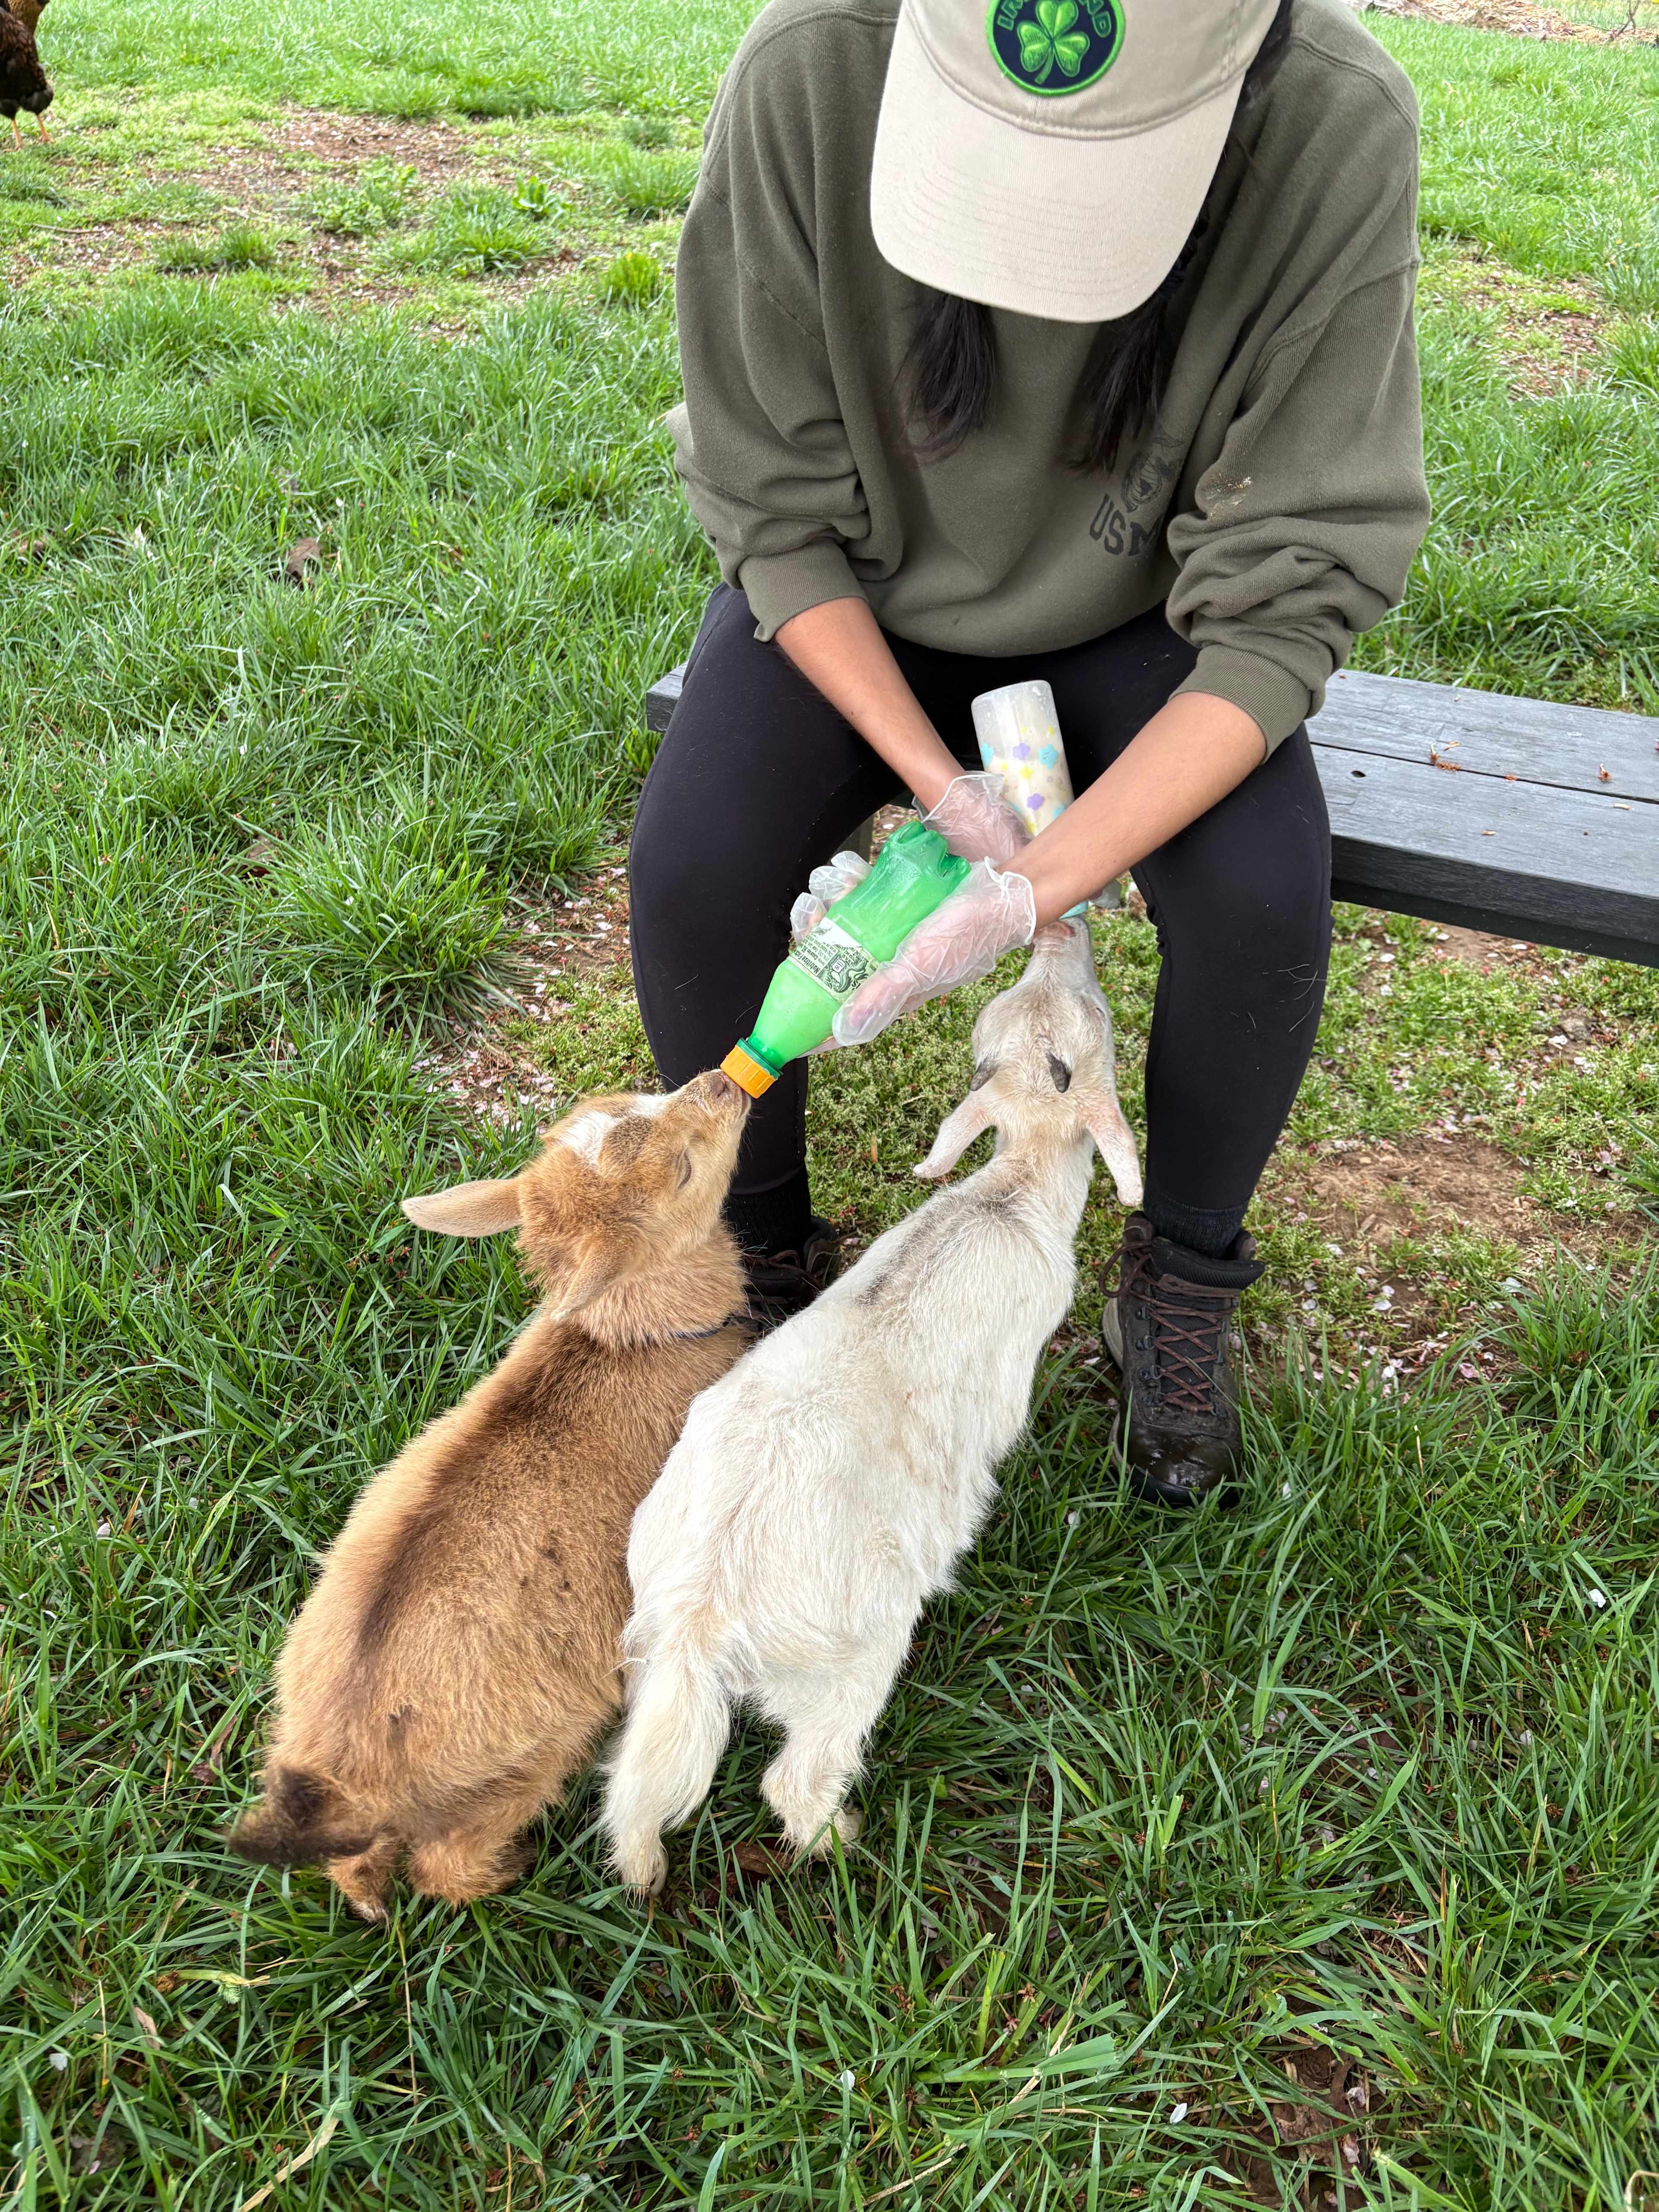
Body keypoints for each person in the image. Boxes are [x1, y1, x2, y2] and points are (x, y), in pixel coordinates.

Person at [629, 0, 1430, 1504]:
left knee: (1261, 899)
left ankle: (1183, 1269)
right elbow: (777, 512)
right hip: (867, 598)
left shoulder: (1331, 121)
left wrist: (1030, 889)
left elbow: (1281, 600)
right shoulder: (810, 66)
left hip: (1148, 614)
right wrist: (938, 784)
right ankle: (766, 1253)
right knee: (696, 868)